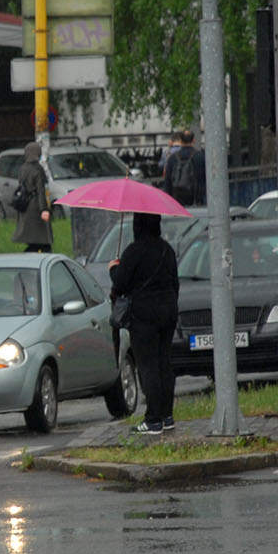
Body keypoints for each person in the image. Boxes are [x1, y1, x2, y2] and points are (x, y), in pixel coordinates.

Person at [108, 212, 180, 434]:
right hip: (168, 312)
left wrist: (113, 268)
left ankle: (153, 420)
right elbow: (174, 283)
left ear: (137, 225)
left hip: (143, 317)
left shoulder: (134, 251)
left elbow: (120, 283)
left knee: (147, 366)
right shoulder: (167, 250)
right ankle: (167, 416)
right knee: (163, 364)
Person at [11, 141, 53, 253]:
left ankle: (28, 258)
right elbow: (40, 191)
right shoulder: (38, 169)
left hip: (25, 208)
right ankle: (30, 261)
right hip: (36, 209)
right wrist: (44, 209)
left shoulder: (22, 168)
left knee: (33, 241)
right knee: (44, 242)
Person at [161, 128, 205, 206]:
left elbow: (167, 180)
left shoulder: (173, 158)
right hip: (197, 197)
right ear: (194, 140)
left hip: (177, 198)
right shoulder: (200, 156)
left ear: (180, 141)